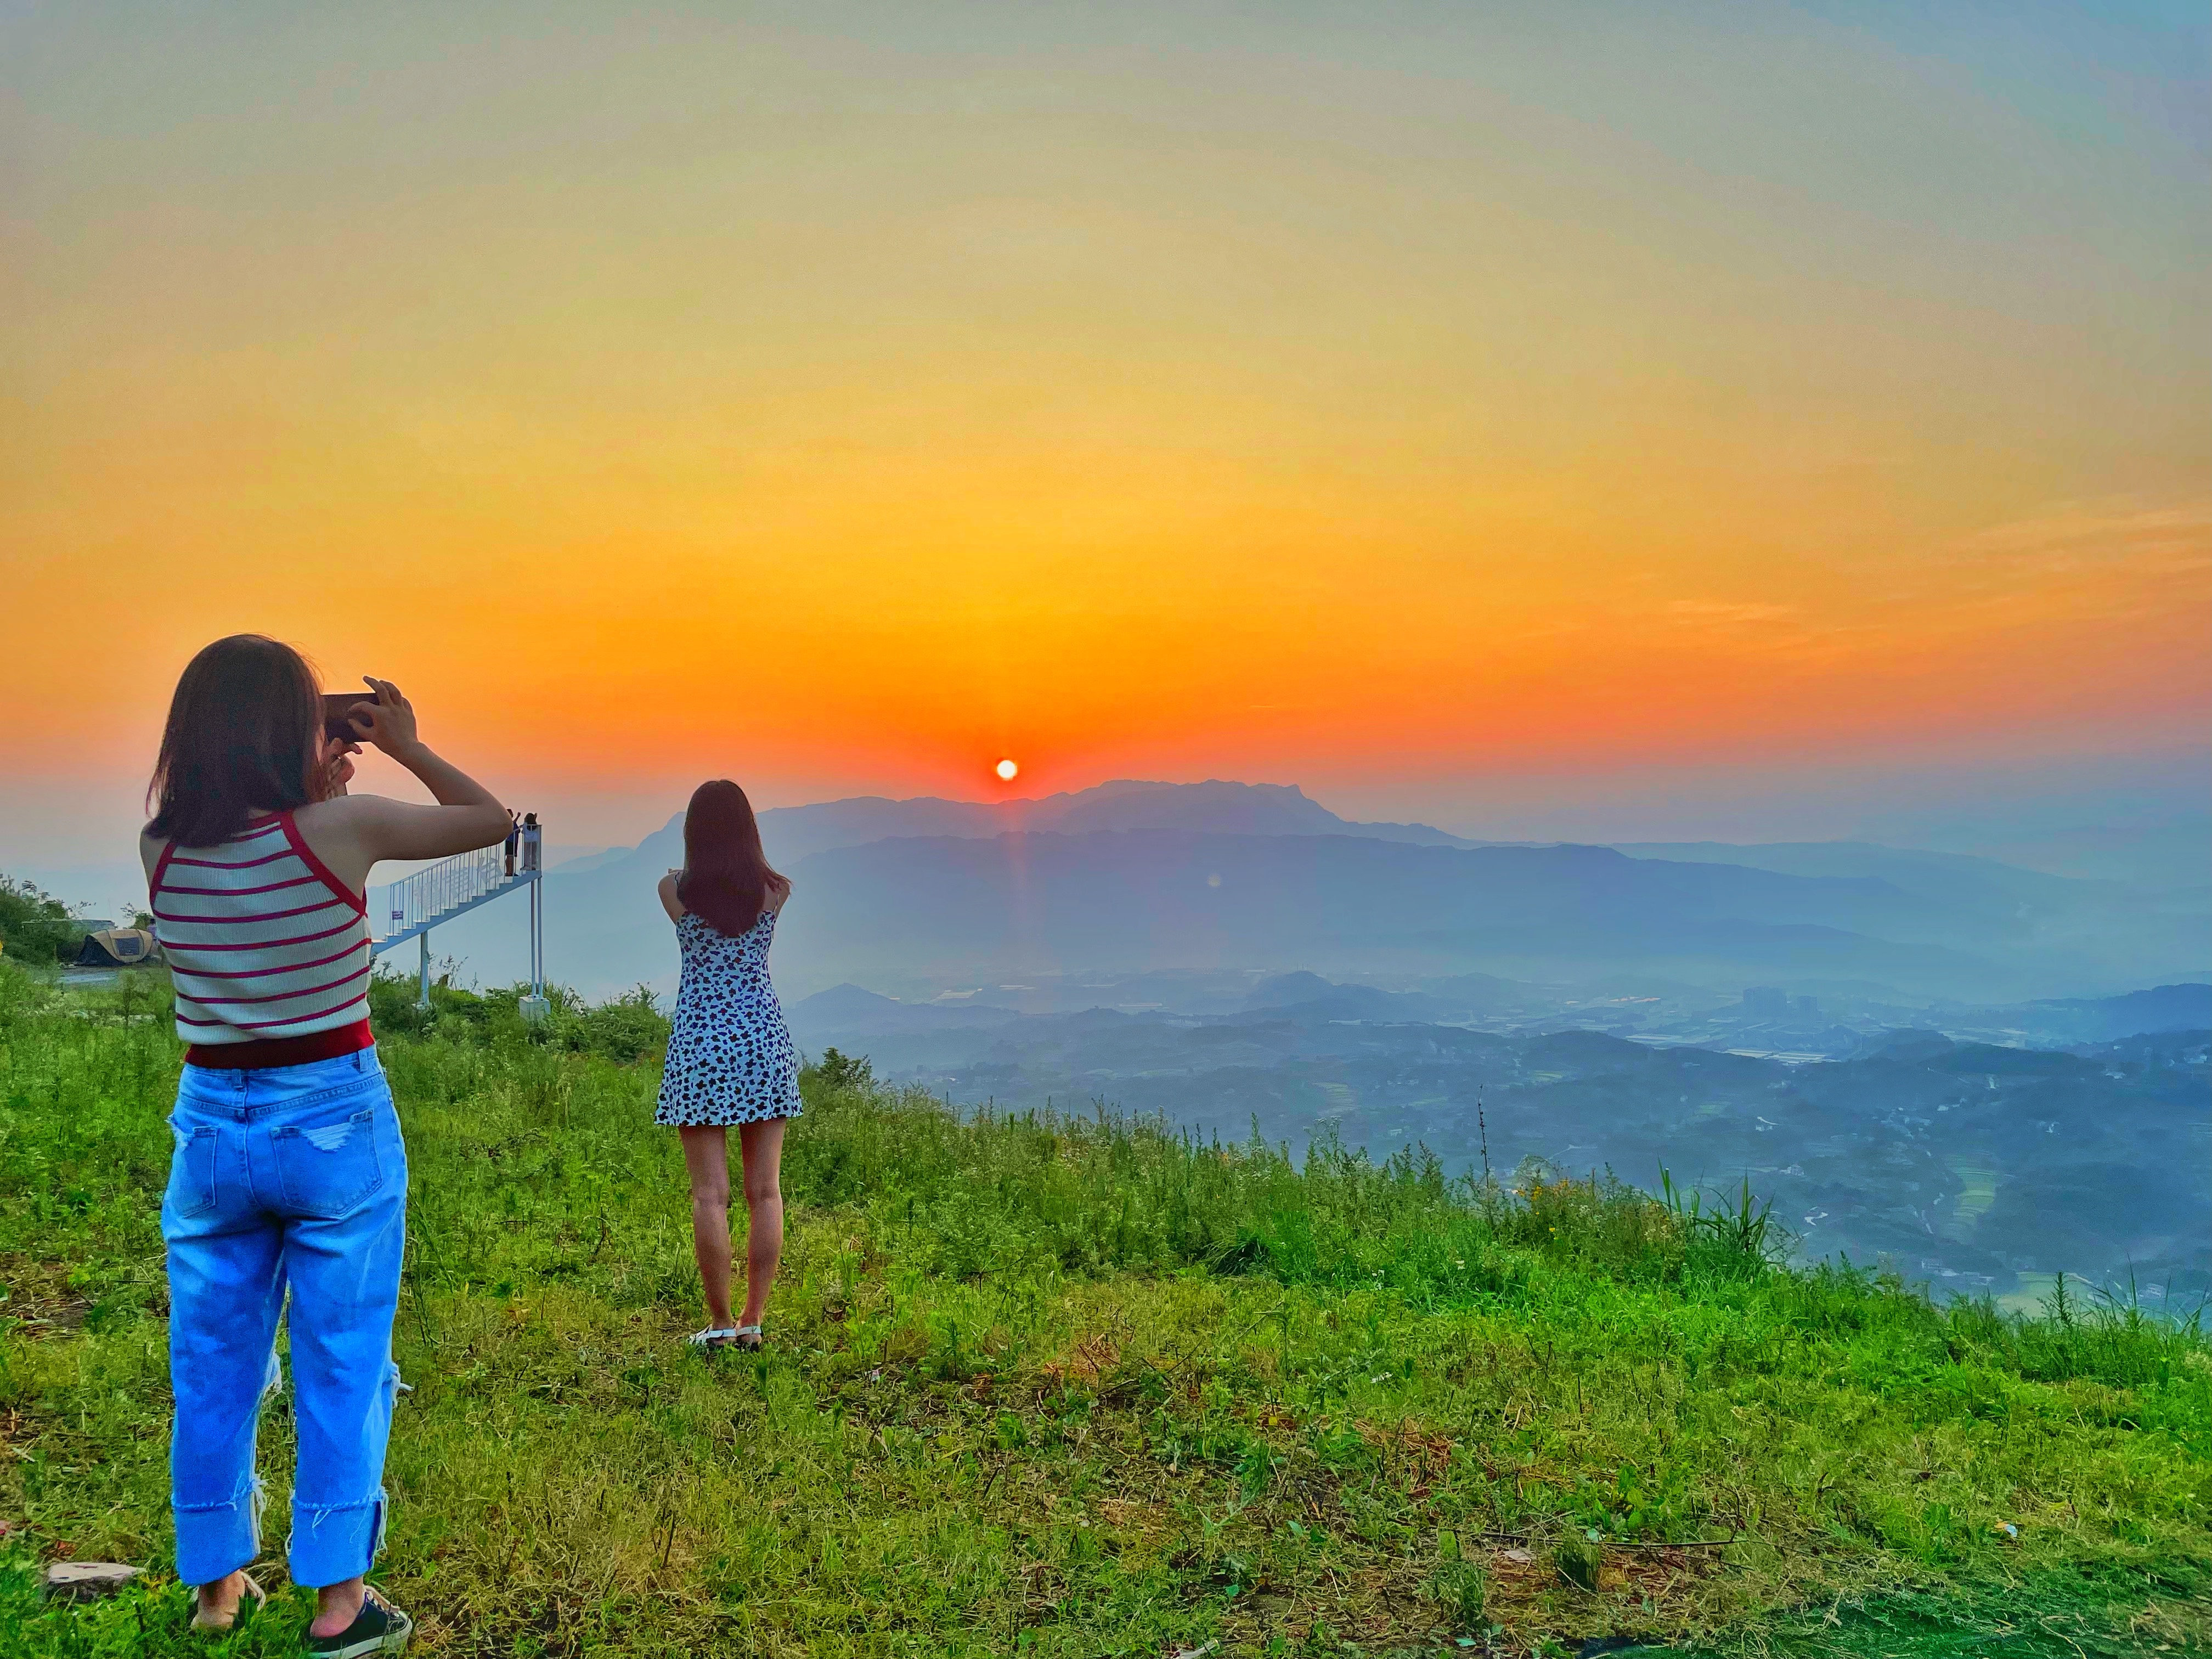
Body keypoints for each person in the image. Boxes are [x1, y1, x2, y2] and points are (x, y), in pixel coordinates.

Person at [141, 635, 509, 1654]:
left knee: (211, 1360)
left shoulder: (160, 846)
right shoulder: (337, 829)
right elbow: (487, 819)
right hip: (333, 1117)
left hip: (214, 1121)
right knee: (343, 1357)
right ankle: (340, 1601)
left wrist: (313, 752)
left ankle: (218, 1588)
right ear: (285, 731)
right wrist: (402, 745)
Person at [653, 780, 802, 1352]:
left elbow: (685, 892)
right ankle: (753, 1320)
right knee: (765, 1192)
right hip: (763, 1041)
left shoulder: (673, 890)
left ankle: (718, 1325)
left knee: (708, 1195)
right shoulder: (776, 890)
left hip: (701, 1046)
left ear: (694, 831)